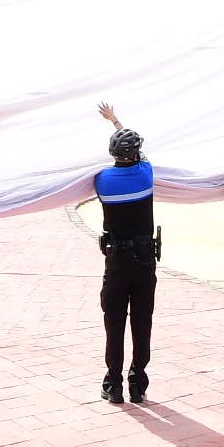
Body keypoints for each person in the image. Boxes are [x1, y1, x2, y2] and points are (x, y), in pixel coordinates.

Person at [93, 102, 157, 404]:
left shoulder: (102, 181)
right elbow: (140, 151)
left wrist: (112, 123)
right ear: (135, 154)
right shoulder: (146, 174)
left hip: (116, 261)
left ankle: (113, 383)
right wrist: (116, 120)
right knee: (142, 322)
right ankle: (138, 384)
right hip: (144, 261)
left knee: (114, 322)